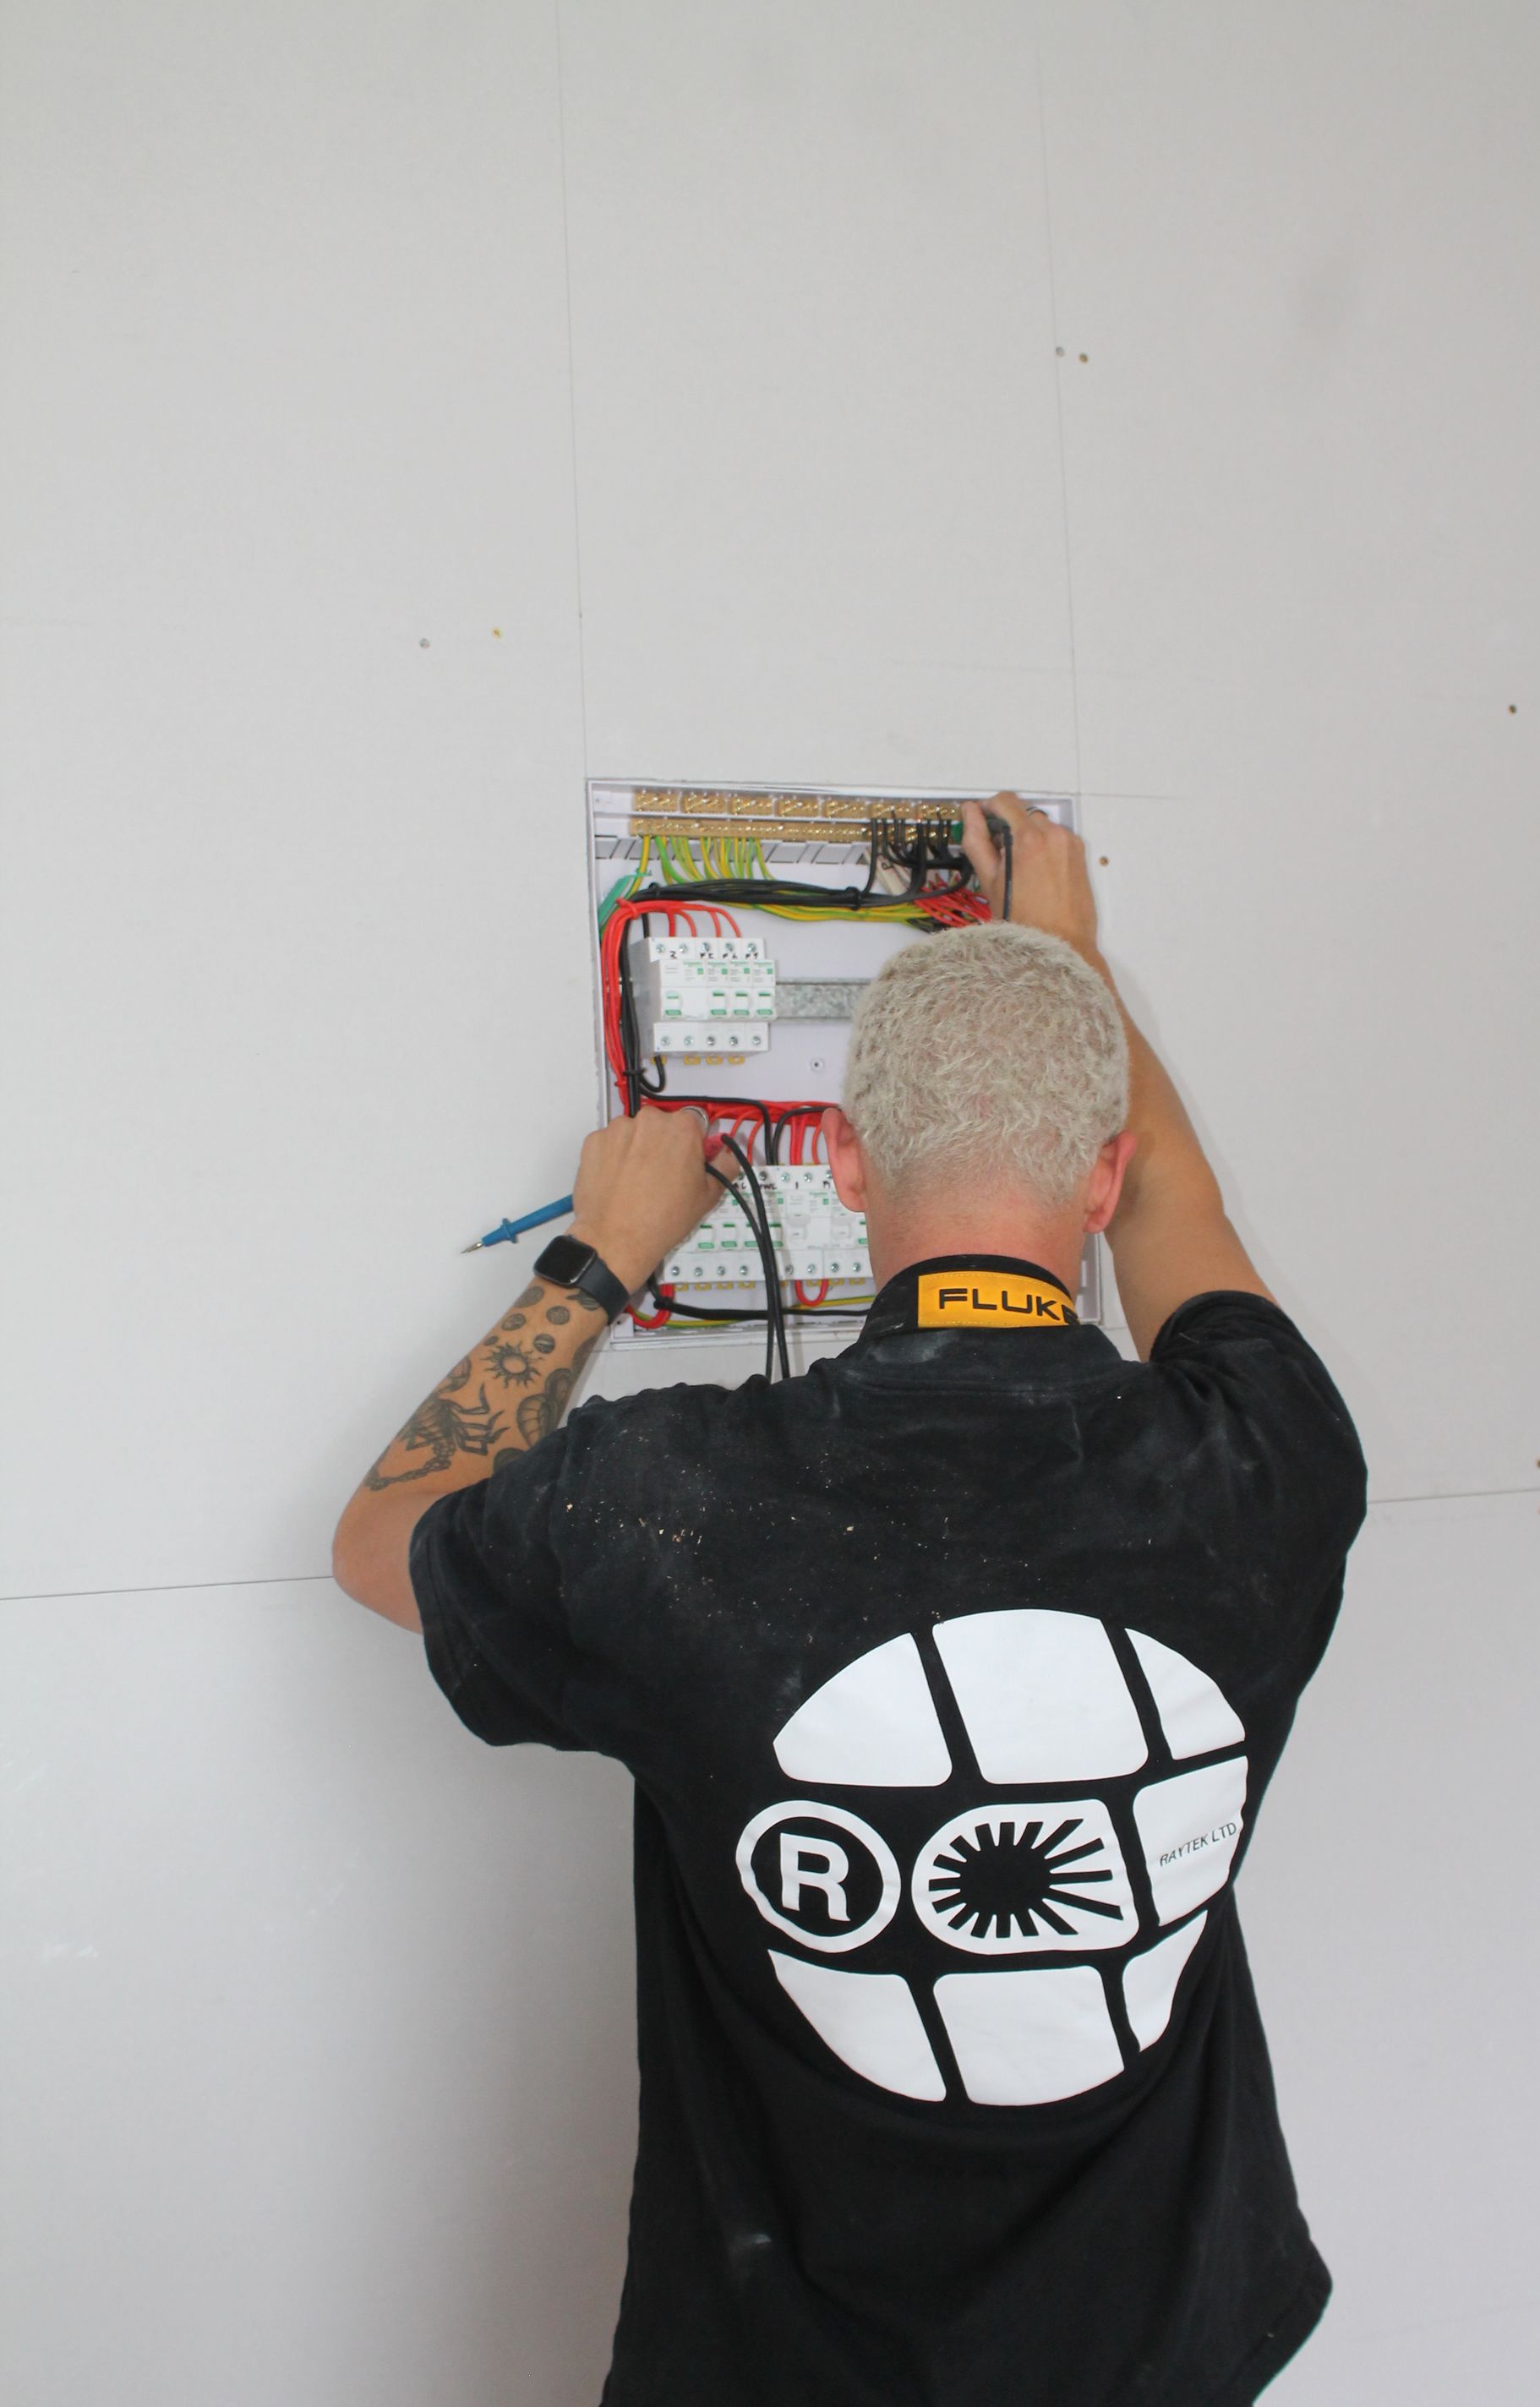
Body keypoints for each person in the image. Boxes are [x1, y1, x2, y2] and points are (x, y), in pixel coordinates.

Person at [334, 794, 1367, 2407]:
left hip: (786, 2365)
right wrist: (1065, 964)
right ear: (1097, 1177)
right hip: (1162, 2347)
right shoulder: (1268, 1459)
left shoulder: (667, 1503)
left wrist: (598, 1258)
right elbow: (1188, 1223)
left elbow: (381, 1535)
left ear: (847, 1160)